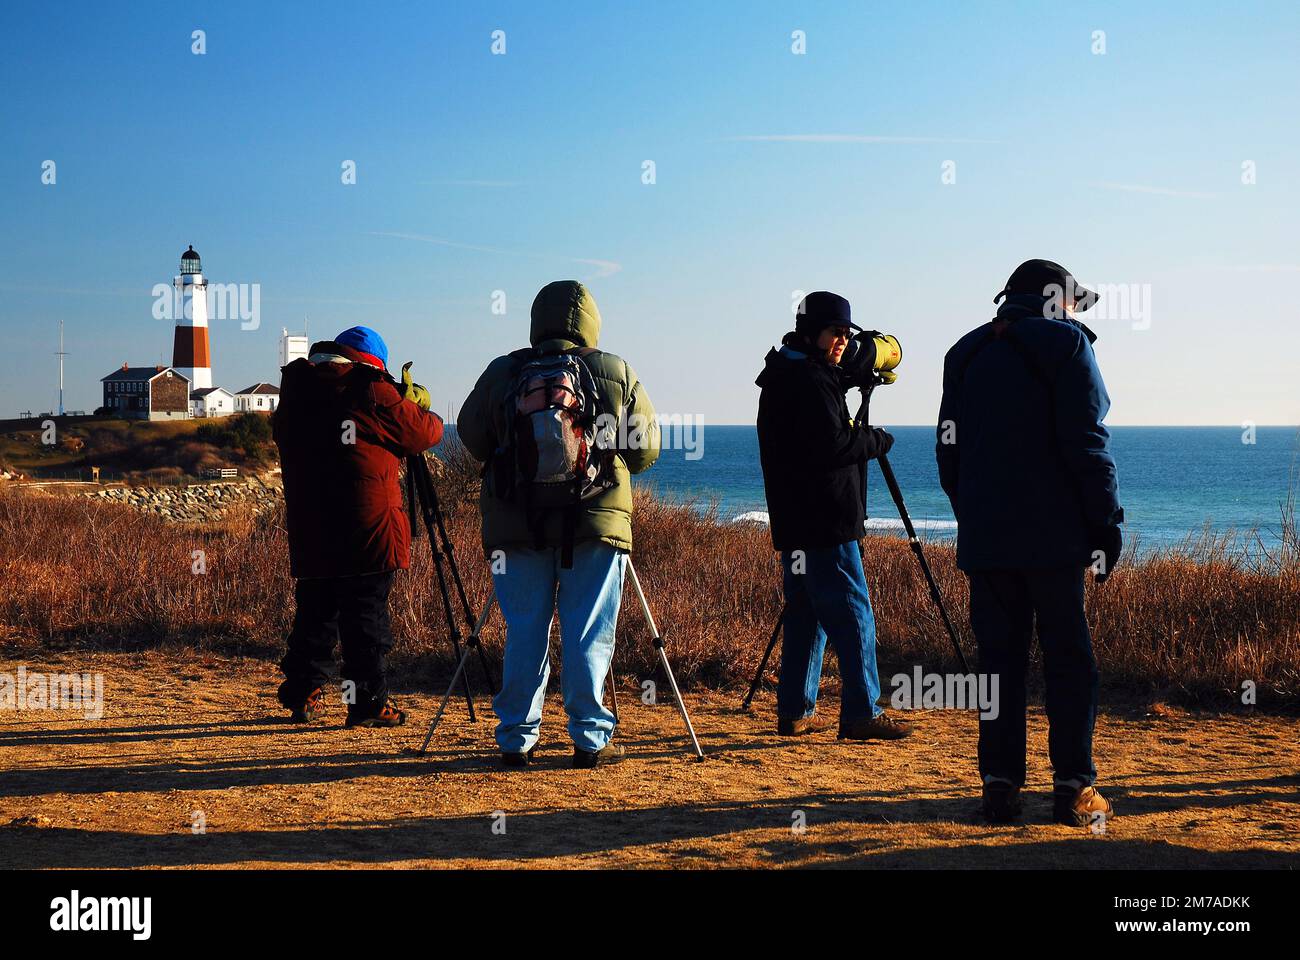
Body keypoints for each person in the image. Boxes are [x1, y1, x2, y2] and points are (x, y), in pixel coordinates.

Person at [936, 259, 1124, 827]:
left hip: (988, 539)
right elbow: (1088, 443)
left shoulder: (964, 353)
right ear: (1054, 300)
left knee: (998, 664)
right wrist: (1105, 523)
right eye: (1072, 302)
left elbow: (949, 450)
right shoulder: (1068, 347)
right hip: (1057, 539)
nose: (1074, 312)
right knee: (1070, 662)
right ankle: (1073, 788)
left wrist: (972, 512)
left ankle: (999, 788)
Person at [458, 280, 660, 769]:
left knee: (525, 629)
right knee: (589, 630)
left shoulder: (503, 372)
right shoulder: (614, 369)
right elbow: (644, 451)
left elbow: (472, 436)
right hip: (595, 524)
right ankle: (589, 740)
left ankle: (515, 739)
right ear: (591, 320)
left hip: (516, 526)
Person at [755, 291, 912, 742]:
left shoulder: (786, 371)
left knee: (806, 610)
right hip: (827, 517)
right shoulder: (811, 378)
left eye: (846, 333)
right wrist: (877, 439)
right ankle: (862, 712)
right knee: (852, 610)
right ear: (813, 333)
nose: (842, 341)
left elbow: (812, 431)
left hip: (794, 517)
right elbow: (834, 445)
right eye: (835, 332)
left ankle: (796, 711)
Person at [272, 325, 443, 727]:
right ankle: (365, 702)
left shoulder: (295, 393)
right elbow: (425, 431)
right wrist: (411, 400)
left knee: (315, 611)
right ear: (373, 364)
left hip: (311, 526)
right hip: (369, 528)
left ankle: (302, 692)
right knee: (365, 618)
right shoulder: (371, 391)